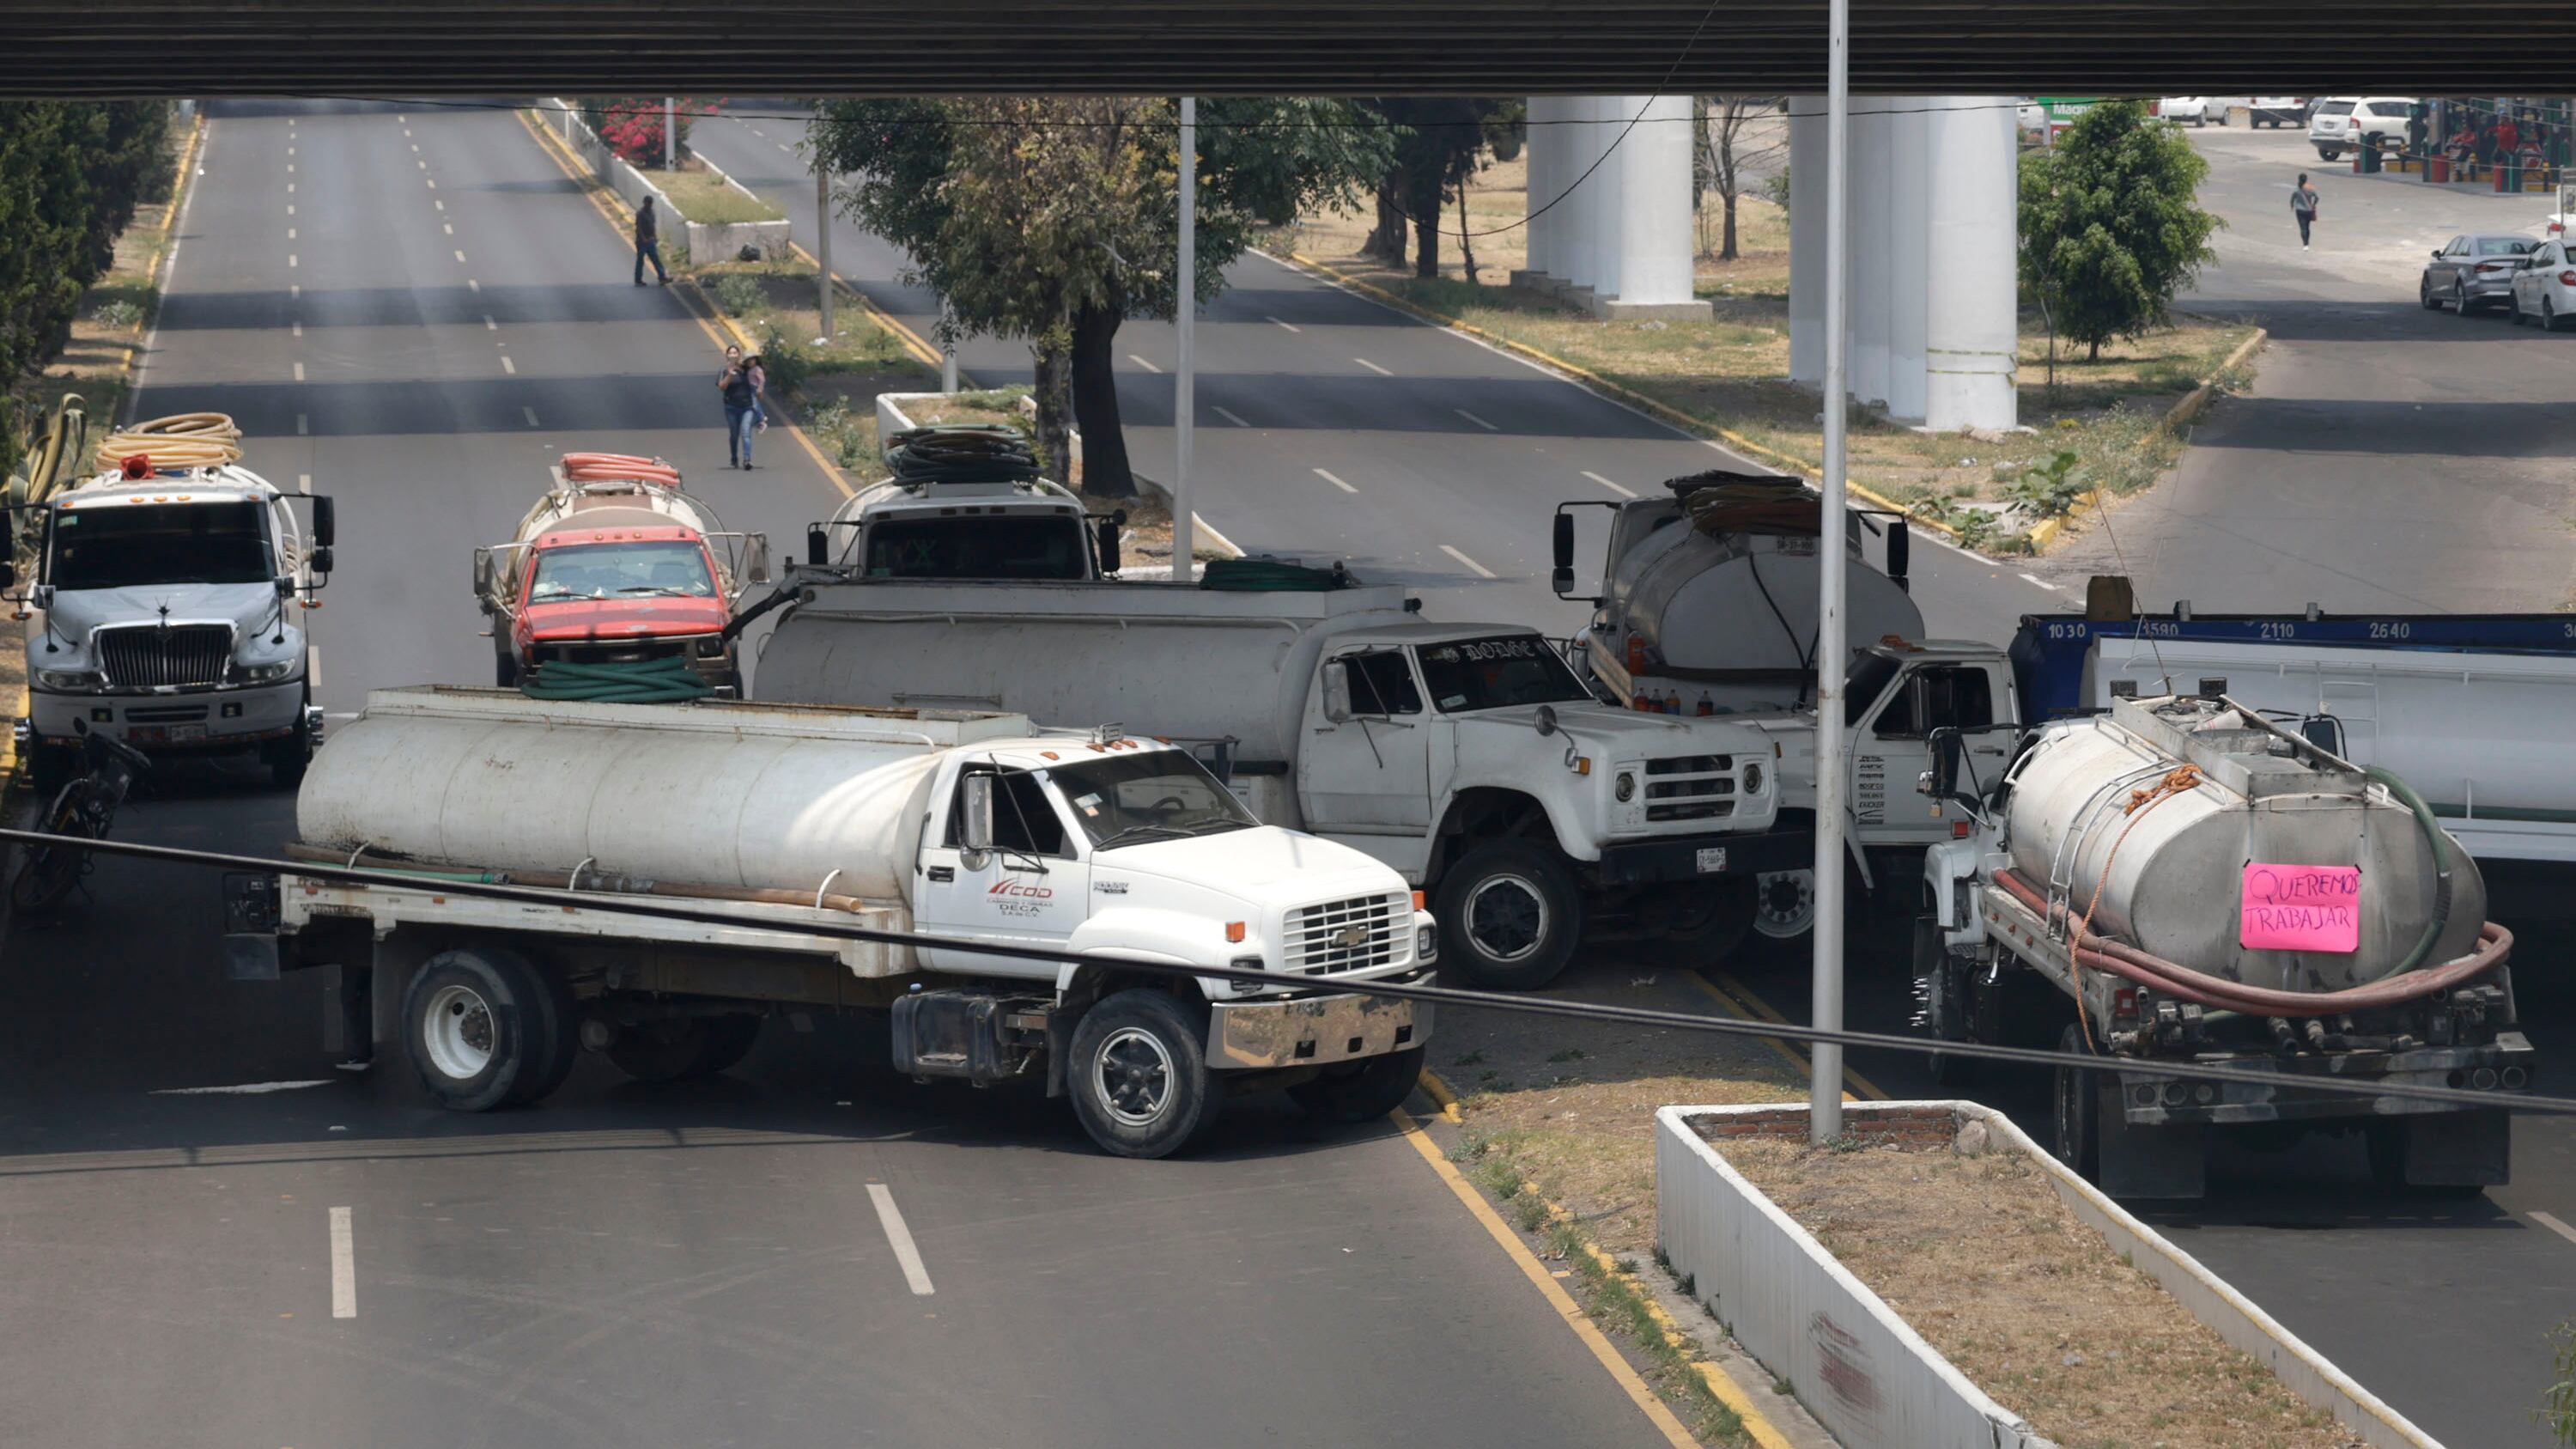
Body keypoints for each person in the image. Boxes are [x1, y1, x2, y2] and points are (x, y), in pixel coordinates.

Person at [718, 344, 755, 467]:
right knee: (734, 434)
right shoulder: (724, 370)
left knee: (746, 432)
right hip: (731, 408)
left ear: (739, 355)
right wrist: (730, 375)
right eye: (731, 353)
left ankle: (747, 459)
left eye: (735, 353)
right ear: (727, 356)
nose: (733, 355)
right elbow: (722, 387)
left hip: (747, 407)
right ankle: (734, 458)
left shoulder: (746, 369)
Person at [635, 195, 669, 287]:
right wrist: (643, 239)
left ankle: (662, 277)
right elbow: (639, 228)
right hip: (642, 241)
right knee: (640, 260)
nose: (649, 205)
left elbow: (653, 225)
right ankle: (638, 279)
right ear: (644, 203)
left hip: (650, 239)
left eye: (650, 203)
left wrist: (655, 237)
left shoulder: (652, 212)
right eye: (648, 203)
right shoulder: (640, 213)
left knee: (656, 259)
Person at [2290, 173, 2319, 251]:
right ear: (2306, 180)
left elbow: (2292, 199)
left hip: (2300, 211)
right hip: (2309, 210)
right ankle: (2307, 242)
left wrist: (2292, 206)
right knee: (2307, 227)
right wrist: (2313, 204)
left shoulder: (2297, 189)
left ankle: (2305, 244)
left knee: (2303, 228)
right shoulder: (2310, 189)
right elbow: (2316, 198)